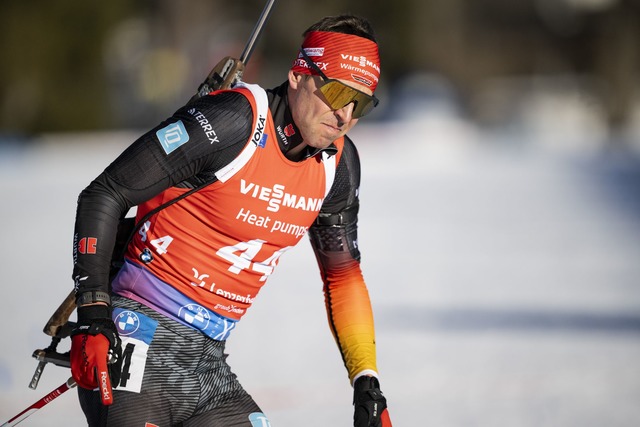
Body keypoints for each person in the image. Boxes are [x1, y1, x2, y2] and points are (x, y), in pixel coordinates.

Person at [69, 13, 392, 427]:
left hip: (208, 366)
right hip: (133, 335)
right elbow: (105, 192)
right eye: (336, 91)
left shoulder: (339, 166)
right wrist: (93, 315)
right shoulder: (234, 120)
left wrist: (367, 381)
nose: (345, 114)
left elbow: (343, 275)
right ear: (298, 75)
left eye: (360, 101)